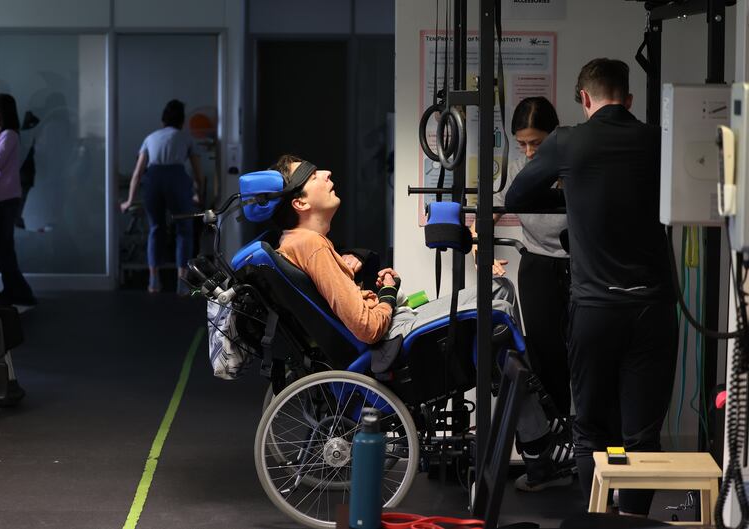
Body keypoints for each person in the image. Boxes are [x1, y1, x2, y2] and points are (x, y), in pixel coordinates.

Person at [270, 153, 575, 491]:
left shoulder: (296, 242)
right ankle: (539, 440)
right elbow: (367, 327)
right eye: (313, 175)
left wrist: (355, 278)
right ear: (299, 202)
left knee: (497, 305)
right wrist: (386, 292)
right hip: (392, 339)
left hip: (393, 329)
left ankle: (536, 439)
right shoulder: (310, 245)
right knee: (498, 307)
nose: (326, 172)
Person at [505, 58, 678, 516]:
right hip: (653, 308)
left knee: (592, 427)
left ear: (584, 99)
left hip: (595, 308)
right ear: (630, 98)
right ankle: (635, 518)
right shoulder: (658, 140)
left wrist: (572, 191)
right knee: (641, 432)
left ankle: (599, 516)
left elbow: (517, 196)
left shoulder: (568, 141)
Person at [494, 97, 572, 420]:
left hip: (577, 268)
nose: (528, 152)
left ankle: (584, 442)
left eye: (536, 143)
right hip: (537, 270)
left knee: (580, 354)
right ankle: (554, 440)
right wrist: (478, 248)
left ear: (553, 136)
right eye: (522, 144)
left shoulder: (574, 167)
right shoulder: (516, 172)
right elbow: (485, 217)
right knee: (543, 355)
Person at [120, 99, 205, 295]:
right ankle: (182, 283)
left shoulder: (150, 138)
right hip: (177, 180)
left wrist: (129, 201)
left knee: (156, 229)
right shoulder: (186, 138)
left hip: (154, 181)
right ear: (182, 121)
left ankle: (154, 280)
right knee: (184, 230)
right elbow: (198, 174)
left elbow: (137, 173)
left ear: (163, 120)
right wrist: (198, 195)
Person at [0, 93, 36, 306]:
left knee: (1, 248)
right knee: (2, 248)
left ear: (5, 112)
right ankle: (16, 291)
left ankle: (21, 291)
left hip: (5, 199)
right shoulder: (3, 136)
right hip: (0, 197)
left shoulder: (9, 135)